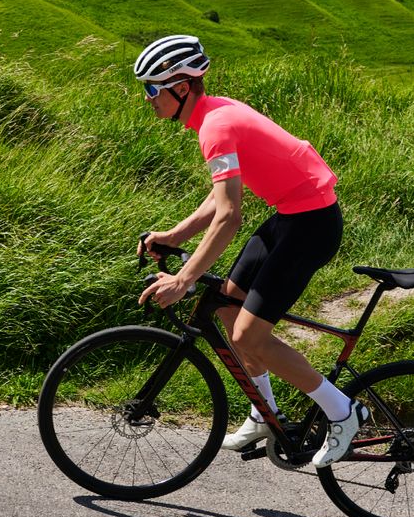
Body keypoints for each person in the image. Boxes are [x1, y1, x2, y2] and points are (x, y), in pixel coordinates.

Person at [132, 33, 362, 467]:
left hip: (311, 225)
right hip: (291, 215)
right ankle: (264, 411)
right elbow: (220, 198)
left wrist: (185, 278)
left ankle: (343, 412)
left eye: (152, 88)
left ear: (181, 87)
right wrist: (175, 237)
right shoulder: (213, 114)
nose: (148, 99)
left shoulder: (215, 127)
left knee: (248, 335)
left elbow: (229, 217)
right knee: (224, 306)